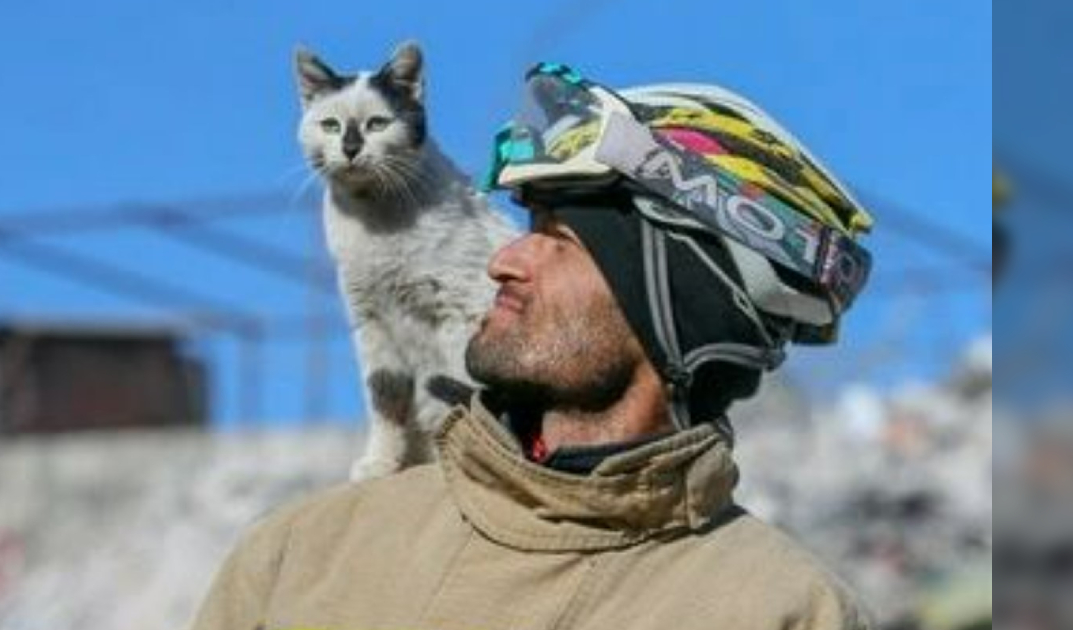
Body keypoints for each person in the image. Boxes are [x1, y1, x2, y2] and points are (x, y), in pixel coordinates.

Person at [190, 63, 876, 630]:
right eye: (530, 224)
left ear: (677, 307)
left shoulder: (780, 610)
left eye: (561, 240)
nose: (506, 260)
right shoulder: (305, 558)